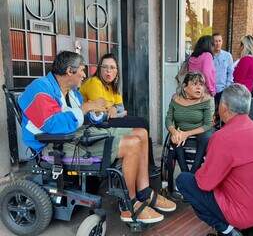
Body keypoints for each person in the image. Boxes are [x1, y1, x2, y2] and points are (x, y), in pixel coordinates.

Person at [18, 51, 176, 224]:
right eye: (82, 70)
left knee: (141, 133)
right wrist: (86, 107)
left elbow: (83, 116)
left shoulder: (71, 92)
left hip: (76, 134)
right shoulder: (40, 88)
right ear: (70, 71)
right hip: (53, 145)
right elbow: (53, 126)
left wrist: (100, 113)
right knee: (132, 144)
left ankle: (144, 192)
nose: (84, 75)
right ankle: (129, 205)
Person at [176, 84, 253, 236]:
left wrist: (206, 166)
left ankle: (228, 231)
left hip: (242, 213)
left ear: (223, 107)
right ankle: (250, 226)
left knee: (184, 180)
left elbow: (204, 184)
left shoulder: (222, 137)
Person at [80, 53, 158, 169]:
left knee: (143, 123)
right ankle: (149, 166)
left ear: (117, 71)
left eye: (112, 68)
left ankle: (147, 165)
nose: (108, 71)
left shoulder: (112, 86)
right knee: (140, 123)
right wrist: (112, 109)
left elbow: (120, 107)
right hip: (94, 123)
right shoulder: (94, 82)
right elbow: (100, 110)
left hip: (110, 119)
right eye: (105, 67)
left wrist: (114, 108)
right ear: (99, 69)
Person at [165, 72, 214, 173]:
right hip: (180, 130)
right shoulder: (176, 99)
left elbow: (208, 124)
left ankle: (193, 173)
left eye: (201, 85)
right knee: (175, 140)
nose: (199, 88)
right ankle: (185, 172)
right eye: (194, 84)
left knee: (206, 138)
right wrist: (174, 132)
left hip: (201, 130)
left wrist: (186, 134)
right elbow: (168, 119)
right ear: (184, 87)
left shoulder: (205, 100)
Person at [212, 33, 234, 107]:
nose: (218, 43)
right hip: (211, 90)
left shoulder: (228, 56)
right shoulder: (208, 56)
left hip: (223, 90)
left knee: (223, 113)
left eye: (219, 41)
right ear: (212, 42)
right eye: (215, 41)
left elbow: (230, 72)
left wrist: (227, 87)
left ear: (222, 42)